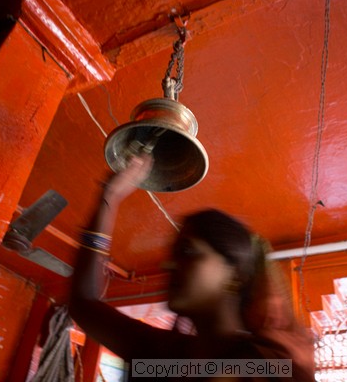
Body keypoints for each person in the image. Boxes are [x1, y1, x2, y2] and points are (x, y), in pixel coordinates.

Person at [69, 154, 315, 381]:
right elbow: (83, 303)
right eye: (174, 254)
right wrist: (108, 198)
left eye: (188, 251)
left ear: (235, 273)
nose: (171, 265)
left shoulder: (266, 366)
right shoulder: (166, 358)